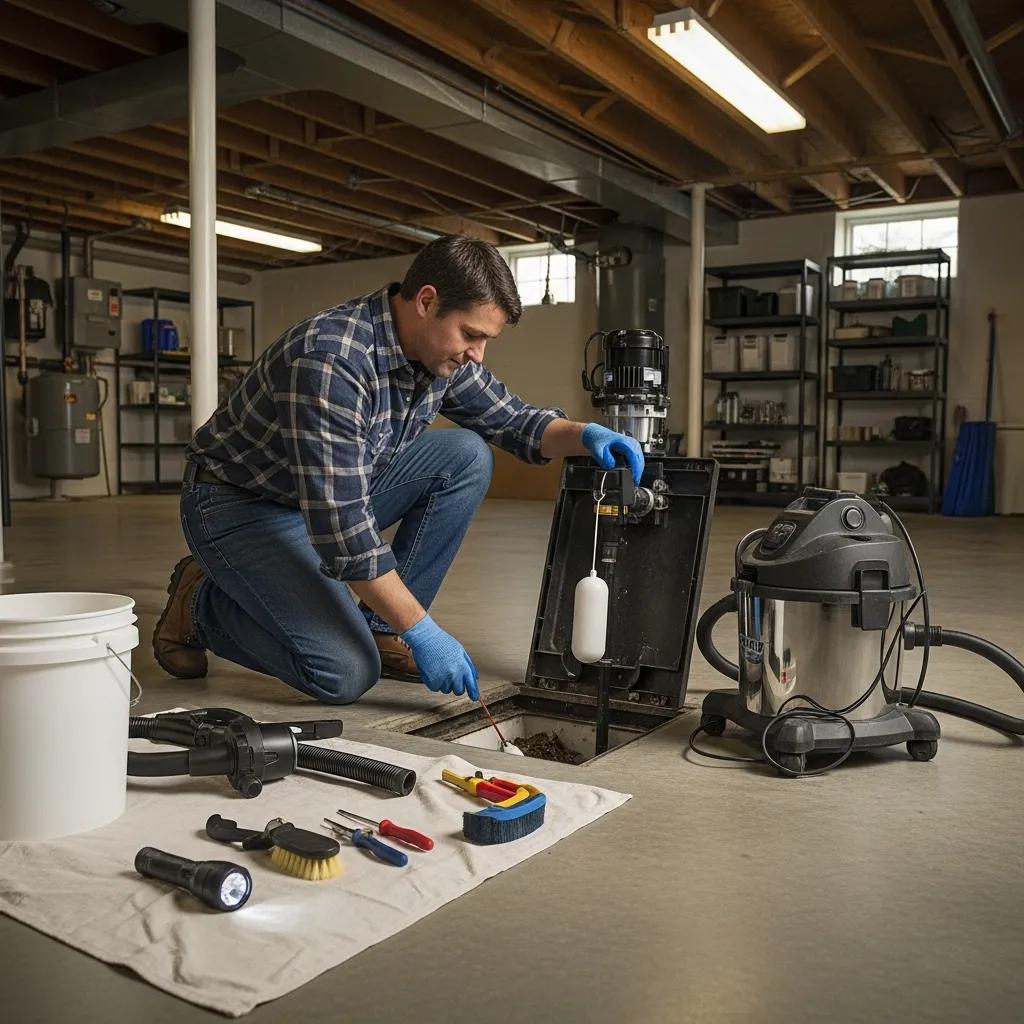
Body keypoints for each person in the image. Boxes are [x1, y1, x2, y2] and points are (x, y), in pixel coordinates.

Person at [153, 235, 644, 705]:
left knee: (466, 456)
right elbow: (345, 533)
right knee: (345, 673)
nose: (477, 353)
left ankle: (384, 630)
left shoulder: (436, 352)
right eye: (472, 335)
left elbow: (514, 421)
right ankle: (199, 607)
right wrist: (423, 629)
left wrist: (586, 434)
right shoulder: (332, 361)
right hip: (240, 506)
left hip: (320, 496)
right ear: (426, 302)